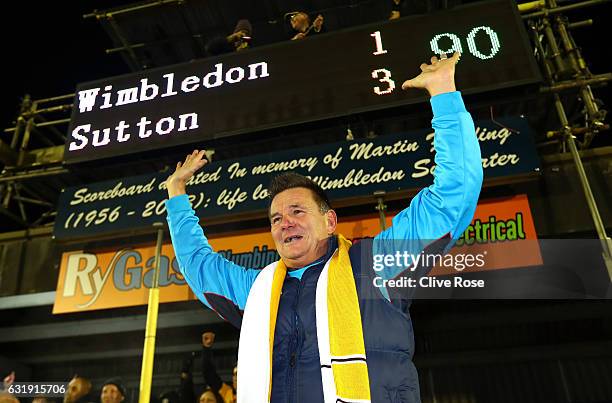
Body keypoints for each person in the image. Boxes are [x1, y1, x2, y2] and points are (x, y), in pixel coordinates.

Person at [165, 52, 482, 402]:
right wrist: (176, 193)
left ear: (329, 221)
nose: (285, 223)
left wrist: (444, 95)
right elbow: (197, 265)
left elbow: (452, 197)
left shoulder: (375, 265)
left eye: (297, 211)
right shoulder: (258, 292)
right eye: (276, 219)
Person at [200, 331, 236, 403]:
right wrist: (207, 348)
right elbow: (209, 373)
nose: (236, 378)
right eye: (235, 374)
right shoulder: (226, 392)